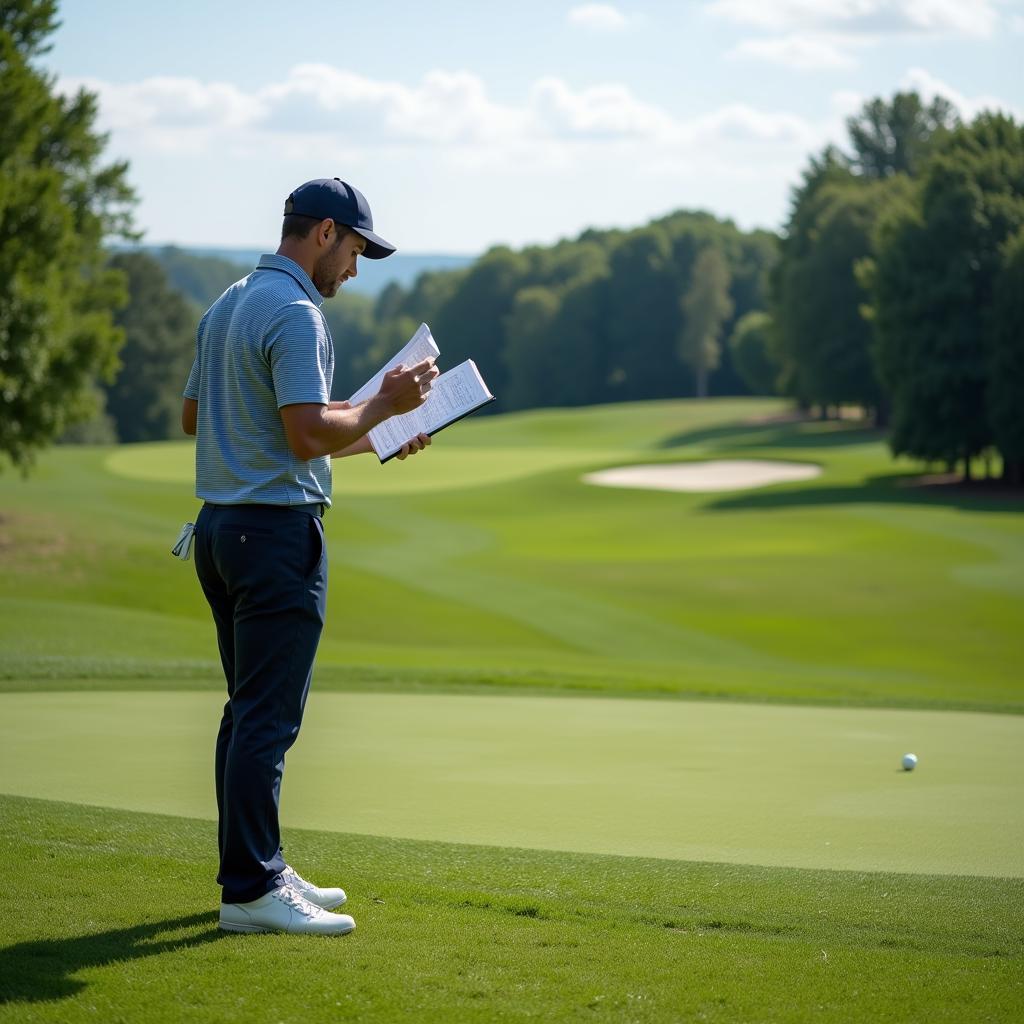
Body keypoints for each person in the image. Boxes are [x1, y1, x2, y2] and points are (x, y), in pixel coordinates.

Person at [180, 178, 437, 936]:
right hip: (276, 538)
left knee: (246, 714)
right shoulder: (297, 312)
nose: (354, 270)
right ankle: (252, 889)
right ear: (325, 233)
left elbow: (203, 416)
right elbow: (302, 436)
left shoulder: (229, 301)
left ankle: (256, 867)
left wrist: (376, 432)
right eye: (356, 250)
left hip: (221, 532)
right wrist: (384, 404)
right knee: (267, 719)